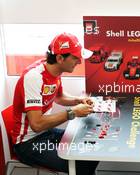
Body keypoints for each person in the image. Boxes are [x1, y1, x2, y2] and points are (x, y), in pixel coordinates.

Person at [12, 32, 98, 175]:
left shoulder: (55, 70)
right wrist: (73, 112)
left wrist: (78, 100)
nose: (80, 62)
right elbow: (37, 124)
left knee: (92, 147)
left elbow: (59, 97)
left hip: (46, 133)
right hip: (28, 144)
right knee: (80, 165)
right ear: (59, 58)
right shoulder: (34, 77)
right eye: (76, 58)